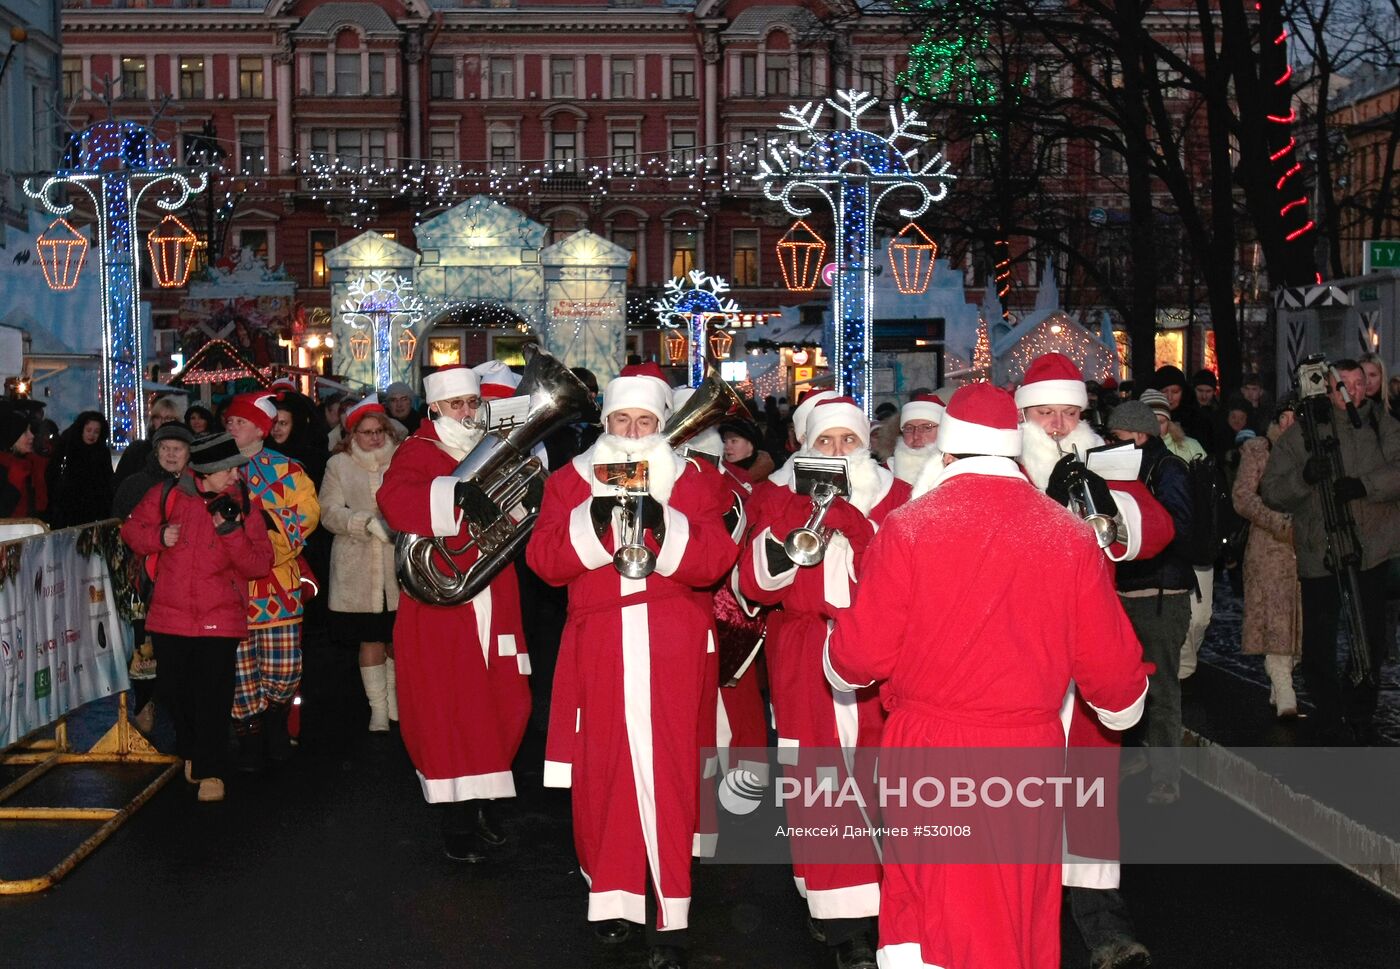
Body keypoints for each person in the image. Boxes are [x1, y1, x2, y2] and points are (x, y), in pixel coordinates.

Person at [825, 383, 1152, 969]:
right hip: (1028, 753)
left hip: (930, 749)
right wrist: (1123, 706)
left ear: (947, 455)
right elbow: (1115, 674)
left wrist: (836, 652)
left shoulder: (909, 527)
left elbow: (857, 659)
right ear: (1015, 453)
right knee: (1017, 909)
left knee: (932, 914)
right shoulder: (1068, 534)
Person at [527, 363, 739, 969]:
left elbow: (713, 561)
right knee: (605, 766)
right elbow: (544, 560)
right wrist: (592, 522)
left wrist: (660, 520)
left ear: (662, 424)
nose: (633, 429)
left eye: (646, 420)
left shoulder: (695, 478)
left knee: (670, 764)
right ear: (606, 422)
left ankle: (672, 905)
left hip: (673, 637)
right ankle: (615, 896)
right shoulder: (571, 479)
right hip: (600, 637)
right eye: (622, 419)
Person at [1004, 353, 1173, 969]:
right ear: (1022, 415)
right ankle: (1017, 922)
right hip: (1019, 659)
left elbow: (1153, 533)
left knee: (1089, 798)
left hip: (1087, 656)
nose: (1055, 426)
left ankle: (1104, 926)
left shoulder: (1102, 466)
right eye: (1043, 413)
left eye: (1068, 413)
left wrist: (1108, 501)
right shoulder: (1001, 471)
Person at [739, 395, 911, 969]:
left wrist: (858, 531)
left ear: (866, 446)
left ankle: (894, 904)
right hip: (804, 650)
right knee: (819, 782)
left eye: (848, 442)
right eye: (825, 443)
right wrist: (797, 523)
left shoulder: (899, 498)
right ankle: (843, 923)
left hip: (879, 654)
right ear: (805, 447)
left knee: (886, 780)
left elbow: (911, 586)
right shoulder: (776, 497)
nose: (838, 454)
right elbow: (755, 588)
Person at [377, 365, 533, 861]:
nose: (467, 412)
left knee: (504, 701)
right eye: (457, 404)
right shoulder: (416, 452)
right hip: (441, 605)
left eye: (472, 403)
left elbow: (526, 508)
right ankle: (457, 818)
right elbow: (394, 501)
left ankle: (486, 800)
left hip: (495, 595)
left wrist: (519, 504)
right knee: (449, 709)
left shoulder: (493, 447)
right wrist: (452, 494)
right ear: (434, 409)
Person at [120, 432, 274, 803]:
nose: (236, 476)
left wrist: (231, 532)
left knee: (212, 695)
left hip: (220, 616)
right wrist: (159, 535)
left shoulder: (244, 506)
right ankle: (191, 750)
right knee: (174, 691)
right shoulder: (167, 495)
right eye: (229, 471)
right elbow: (130, 531)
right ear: (206, 472)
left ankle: (211, 770)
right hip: (170, 615)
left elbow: (259, 563)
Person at [1260, 360, 1400, 744]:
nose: (1354, 392)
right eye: (1345, 385)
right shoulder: (1303, 432)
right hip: (1319, 551)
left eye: (1359, 384)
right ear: (1328, 388)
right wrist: (1305, 479)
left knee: (1370, 638)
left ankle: (1360, 712)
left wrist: (1365, 486)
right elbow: (1271, 489)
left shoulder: (1379, 424)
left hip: (1372, 549)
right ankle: (1329, 711)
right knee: (1319, 641)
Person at [223, 391, 321, 771]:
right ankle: (249, 738)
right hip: (230, 590)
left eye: (240, 421)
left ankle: (277, 723)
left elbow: (307, 515)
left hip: (278, 584)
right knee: (240, 671)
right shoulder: (213, 470)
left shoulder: (288, 470)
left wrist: (265, 549)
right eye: (230, 421)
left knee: (283, 669)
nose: (232, 426)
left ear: (261, 429)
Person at [1105, 401, 1195, 803]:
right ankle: (1138, 755)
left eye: (1117, 437)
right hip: (1128, 592)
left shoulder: (1168, 469)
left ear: (1140, 435)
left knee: (1161, 687)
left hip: (1160, 593)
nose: (1110, 444)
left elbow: (1177, 528)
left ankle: (1165, 775)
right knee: (1125, 682)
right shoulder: (1122, 468)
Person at [320, 396, 404, 733]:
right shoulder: (338, 464)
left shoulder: (402, 458)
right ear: (352, 434)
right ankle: (378, 710)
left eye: (379, 430)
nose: (374, 437)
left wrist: (396, 526)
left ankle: (397, 702)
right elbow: (327, 511)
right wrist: (361, 522)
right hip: (357, 565)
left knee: (397, 639)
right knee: (369, 639)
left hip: (397, 563)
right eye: (366, 432)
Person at [1234, 401, 1302, 717]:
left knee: (1299, 621)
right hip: (1267, 547)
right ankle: (1285, 687)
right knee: (1275, 618)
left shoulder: (1310, 450)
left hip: (1304, 549)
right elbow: (1243, 497)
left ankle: (1281, 679)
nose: (1289, 424)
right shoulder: (1258, 450)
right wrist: (1277, 522)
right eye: (1283, 418)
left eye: (1295, 418)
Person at [47, 410, 115, 528]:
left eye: (96, 432)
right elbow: (52, 473)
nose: (92, 435)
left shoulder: (102, 452)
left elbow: (107, 481)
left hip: (93, 511)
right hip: (66, 509)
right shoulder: (67, 446)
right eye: (88, 430)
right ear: (81, 429)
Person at [113, 396, 185, 489]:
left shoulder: (184, 450)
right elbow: (120, 483)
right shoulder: (137, 449)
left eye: (168, 418)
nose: (162, 422)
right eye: (158, 417)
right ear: (153, 420)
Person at [889, 393, 943, 486]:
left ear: (942, 430)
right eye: (909, 428)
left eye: (926, 428)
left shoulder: (954, 471)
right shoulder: (886, 474)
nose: (916, 436)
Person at [0, 405, 38, 518]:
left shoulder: (25, 465)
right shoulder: (8, 469)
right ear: (11, 436)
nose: (32, 436)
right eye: (25, 432)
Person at [719, 419, 775, 483]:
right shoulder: (717, 473)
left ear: (751, 445)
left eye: (734, 441)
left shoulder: (769, 480)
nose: (726, 447)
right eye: (725, 441)